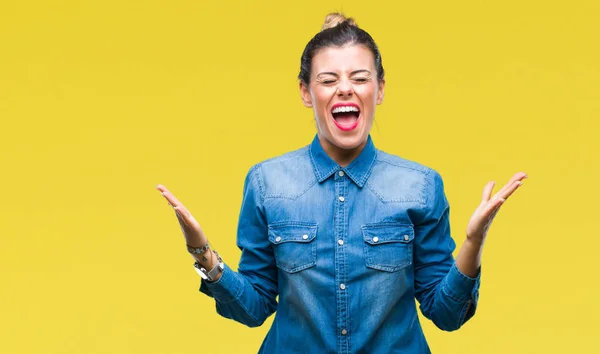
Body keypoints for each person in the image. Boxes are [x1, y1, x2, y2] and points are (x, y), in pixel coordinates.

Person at [156, 12, 526, 354]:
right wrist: (204, 256)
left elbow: (447, 315)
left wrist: (474, 242)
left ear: (379, 89)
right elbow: (254, 308)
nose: (345, 89)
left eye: (360, 78)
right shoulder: (266, 182)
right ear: (306, 92)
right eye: (328, 80)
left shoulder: (421, 186)